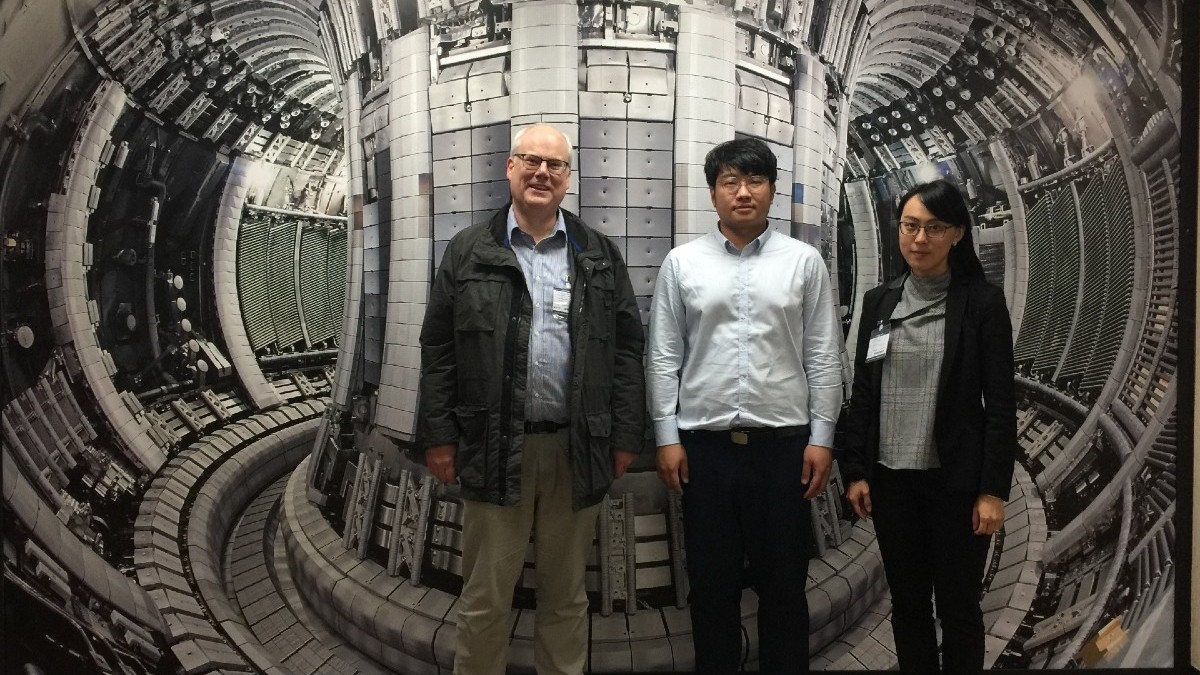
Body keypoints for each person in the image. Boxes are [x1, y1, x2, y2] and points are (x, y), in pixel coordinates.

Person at [416, 123, 645, 675]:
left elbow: (626, 352)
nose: (543, 172)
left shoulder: (599, 254)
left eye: (555, 165)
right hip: (494, 447)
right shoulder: (469, 250)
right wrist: (440, 435)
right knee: (485, 599)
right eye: (530, 161)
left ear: (569, 178)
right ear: (509, 168)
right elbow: (439, 348)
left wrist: (624, 435)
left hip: (576, 449)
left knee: (566, 600)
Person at [646, 137, 843, 674]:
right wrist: (666, 437)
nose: (742, 192)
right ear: (712, 193)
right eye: (729, 182)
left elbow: (824, 356)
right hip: (704, 454)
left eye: (754, 181)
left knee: (784, 588)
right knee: (712, 589)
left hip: (783, 453)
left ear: (772, 190)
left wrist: (822, 439)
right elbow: (663, 356)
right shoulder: (681, 263)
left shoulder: (804, 262)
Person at [838, 179, 1016, 674]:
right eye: (911, 226)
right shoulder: (880, 303)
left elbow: (1001, 406)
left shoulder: (980, 304)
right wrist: (855, 471)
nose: (919, 238)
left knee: (959, 608)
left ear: (957, 233)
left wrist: (992, 490)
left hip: (954, 485)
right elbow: (864, 394)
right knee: (909, 606)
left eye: (934, 228)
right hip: (894, 484)